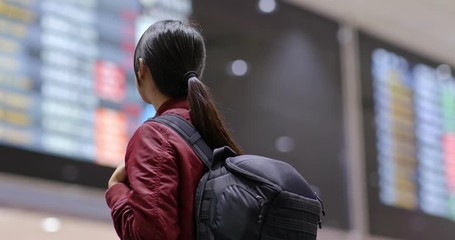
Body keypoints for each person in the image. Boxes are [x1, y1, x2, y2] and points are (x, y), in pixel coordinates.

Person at [105, 20, 242, 240]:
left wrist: (116, 190)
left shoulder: (154, 136)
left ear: (142, 69)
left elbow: (153, 236)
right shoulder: (209, 130)